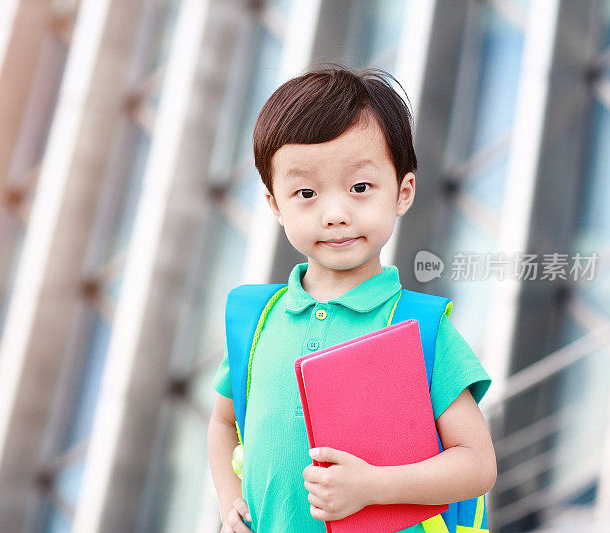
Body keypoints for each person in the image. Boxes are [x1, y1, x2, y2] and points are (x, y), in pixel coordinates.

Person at [206, 64, 496, 533]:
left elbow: (477, 465)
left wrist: (372, 486)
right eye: (306, 193)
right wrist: (228, 500)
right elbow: (222, 424)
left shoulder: (419, 328)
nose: (335, 214)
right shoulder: (258, 320)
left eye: (360, 188)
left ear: (403, 192)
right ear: (275, 205)